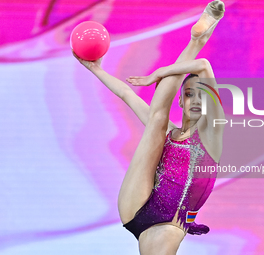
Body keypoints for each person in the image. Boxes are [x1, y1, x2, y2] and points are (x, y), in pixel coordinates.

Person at [73, 1, 225, 254]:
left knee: (157, 119)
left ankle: (195, 40)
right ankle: (195, 41)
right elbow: (125, 93)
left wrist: (160, 72)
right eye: (189, 94)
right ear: (180, 100)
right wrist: (94, 68)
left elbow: (204, 66)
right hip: (140, 201)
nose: (196, 101)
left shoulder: (211, 135)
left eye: (202, 96)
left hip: (169, 223)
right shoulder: (165, 133)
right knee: (157, 121)